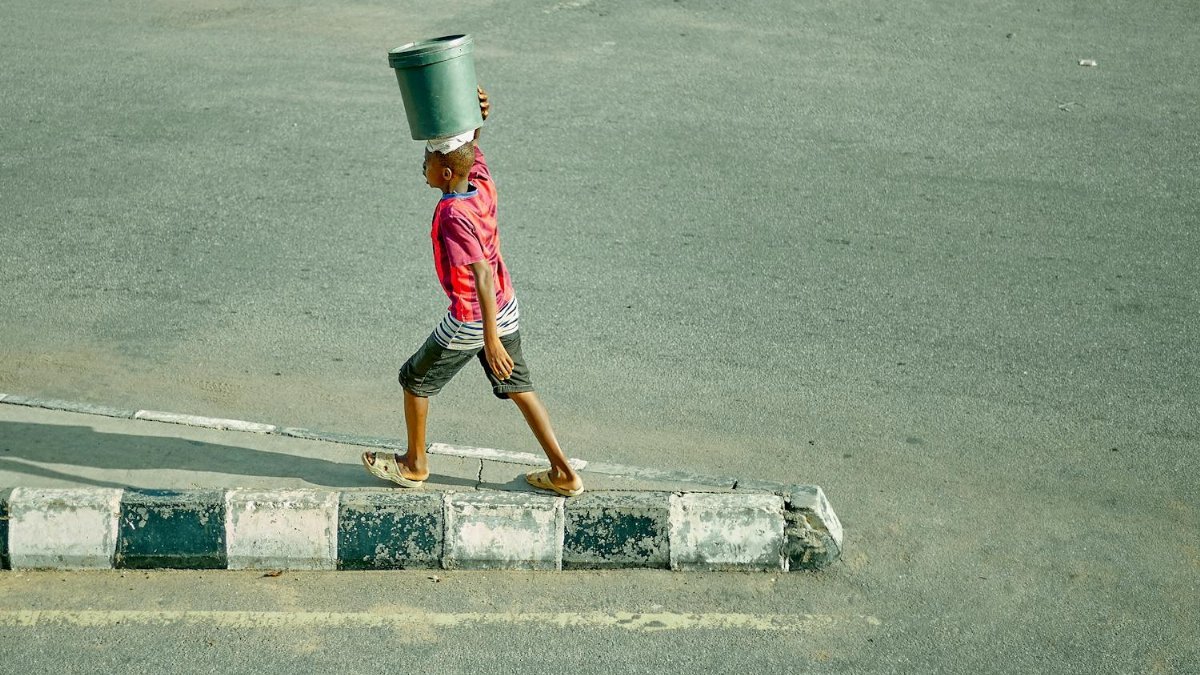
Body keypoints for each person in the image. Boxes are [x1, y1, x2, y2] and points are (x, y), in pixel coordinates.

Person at [363, 87, 583, 497]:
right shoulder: (479, 182)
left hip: (473, 318)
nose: (423, 167)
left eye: (427, 162)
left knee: (414, 380)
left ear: (445, 173)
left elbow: (480, 275)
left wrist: (490, 340)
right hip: (506, 304)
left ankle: (414, 464)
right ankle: (564, 473)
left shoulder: (452, 215)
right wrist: (476, 117)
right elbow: (470, 151)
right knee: (520, 388)